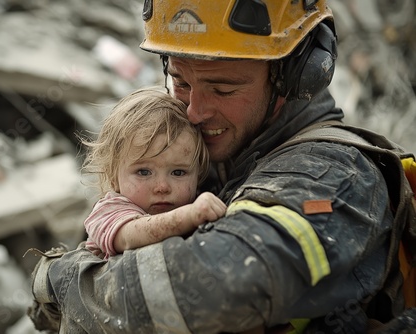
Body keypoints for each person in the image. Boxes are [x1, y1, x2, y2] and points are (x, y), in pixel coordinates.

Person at [28, 1, 414, 333]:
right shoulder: (211, 160)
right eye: (179, 81)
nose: (194, 111)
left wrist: (60, 280)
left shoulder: (334, 175)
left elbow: (213, 287)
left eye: (223, 88)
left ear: (296, 75)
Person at [80, 87, 226, 259]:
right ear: (114, 177)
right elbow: (129, 236)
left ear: (198, 174)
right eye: (143, 172)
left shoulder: (196, 203)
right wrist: (190, 216)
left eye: (178, 172)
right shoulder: (109, 211)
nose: (162, 187)